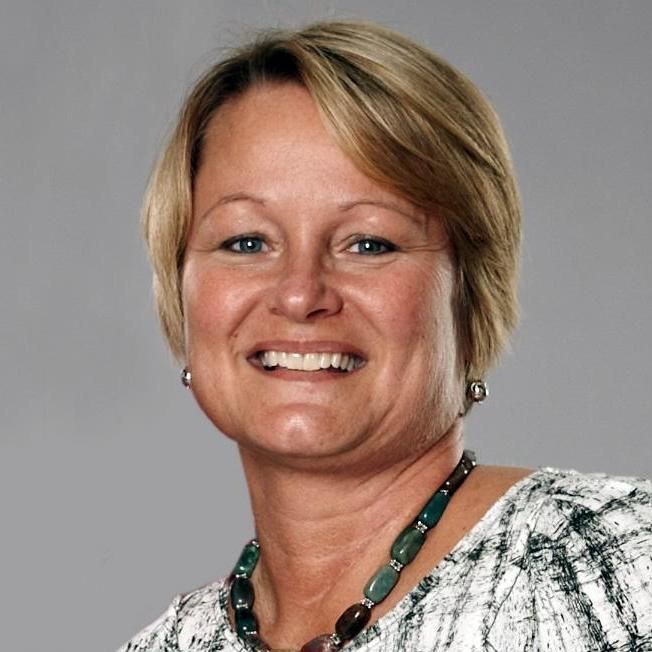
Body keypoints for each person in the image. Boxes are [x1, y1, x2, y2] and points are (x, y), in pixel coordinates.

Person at [119, 20, 652, 652]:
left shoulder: (611, 566)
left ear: (470, 292)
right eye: (247, 242)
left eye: (369, 243)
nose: (300, 294)